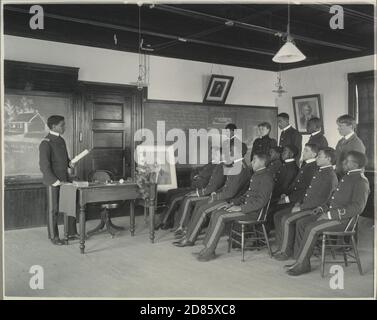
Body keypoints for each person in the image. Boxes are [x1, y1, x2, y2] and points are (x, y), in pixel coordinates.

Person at [286, 151, 370, 276]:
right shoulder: (347, 176)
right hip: (332, 216)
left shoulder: (361, 181)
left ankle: (303, 265)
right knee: (303, 222)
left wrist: (331, 215)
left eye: (347, 161)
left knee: (311, 228)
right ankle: (299, 259)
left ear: (356, 164)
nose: (343, 162)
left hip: (343, 221)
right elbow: (333, 199)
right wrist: (321, 208)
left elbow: (357, 207)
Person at [193, 152, 274, 262]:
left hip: (254, 213)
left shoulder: (266, 177)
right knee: (217, 212)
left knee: (220, 216)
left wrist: (240, 208)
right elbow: (246, 195)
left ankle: (209, 251)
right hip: (246, 209)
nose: (251, 162)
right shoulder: (257, 175)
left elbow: (261, 202)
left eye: (254, 160)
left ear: (262, 162)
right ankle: (207, 247)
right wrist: (233, 203)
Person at [173, 143, 250, 247]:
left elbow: (231, 193)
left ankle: (189, 239)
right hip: (225, 197)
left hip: (230, 201)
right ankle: (188, 234)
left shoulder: (239, 167)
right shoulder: (236, 165)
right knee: (200, 205)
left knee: (203, 210)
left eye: (231, 151)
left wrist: (215, 196)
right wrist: (216, 192)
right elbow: (227, 186)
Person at [273, 147, 338, 260]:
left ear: (328, 159)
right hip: (307, 205)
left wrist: (301, 207)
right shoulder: (321, 171)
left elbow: (322, 200)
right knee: (284, 217)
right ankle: (286, 250)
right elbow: (309, 193)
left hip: (315, 209)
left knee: (287, 220)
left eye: (319, 156)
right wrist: (299, 203)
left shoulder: (329, 175)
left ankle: (286, 252)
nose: (316, 158)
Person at [39, 115, 78, 245]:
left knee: (69, 207)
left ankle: (72, 233)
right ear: (54, 126)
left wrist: (69, 163)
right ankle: (53, 237)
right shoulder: (46, 142)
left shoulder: (61, 140)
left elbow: (64, 159)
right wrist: (54, 181)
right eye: (62, 125)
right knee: (53, 209)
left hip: (65, 179)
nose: (64, 127)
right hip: (53, 181)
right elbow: (44, 166)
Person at [172, 148, 225, 235]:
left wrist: (198, 193)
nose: (213, 156)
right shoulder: (217, 165)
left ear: (222, 156)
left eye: (216, 154)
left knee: (188, 199)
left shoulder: (221, 167)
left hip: (211, 194)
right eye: (213, 154)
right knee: (187, 198)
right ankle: (181, 226)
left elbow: (213, 187)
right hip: (206, 190)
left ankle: (183, 227)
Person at [267, 143, 319, 229]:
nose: (303, 152)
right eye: (304, 150)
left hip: (297, 200)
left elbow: (305, 190)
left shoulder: (312, 168)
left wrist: (287, 199)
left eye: (306, 150)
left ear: (314, 154)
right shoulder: (306, 165)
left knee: (273, 211)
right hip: (292, 196)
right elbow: (294, 185)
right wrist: (285, 195)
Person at [156, 159, 216, 230]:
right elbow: (195, 173)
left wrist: (196, 178)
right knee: (170, 192)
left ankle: (163, 221)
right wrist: (196, 177)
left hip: (200, 190)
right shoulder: (210, 163)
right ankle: (168, 220)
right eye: (213, 152)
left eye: (215, 152)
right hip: (194, 187)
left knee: (175, 199)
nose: (213, 155)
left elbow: (204, 184)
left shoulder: (218, 167)